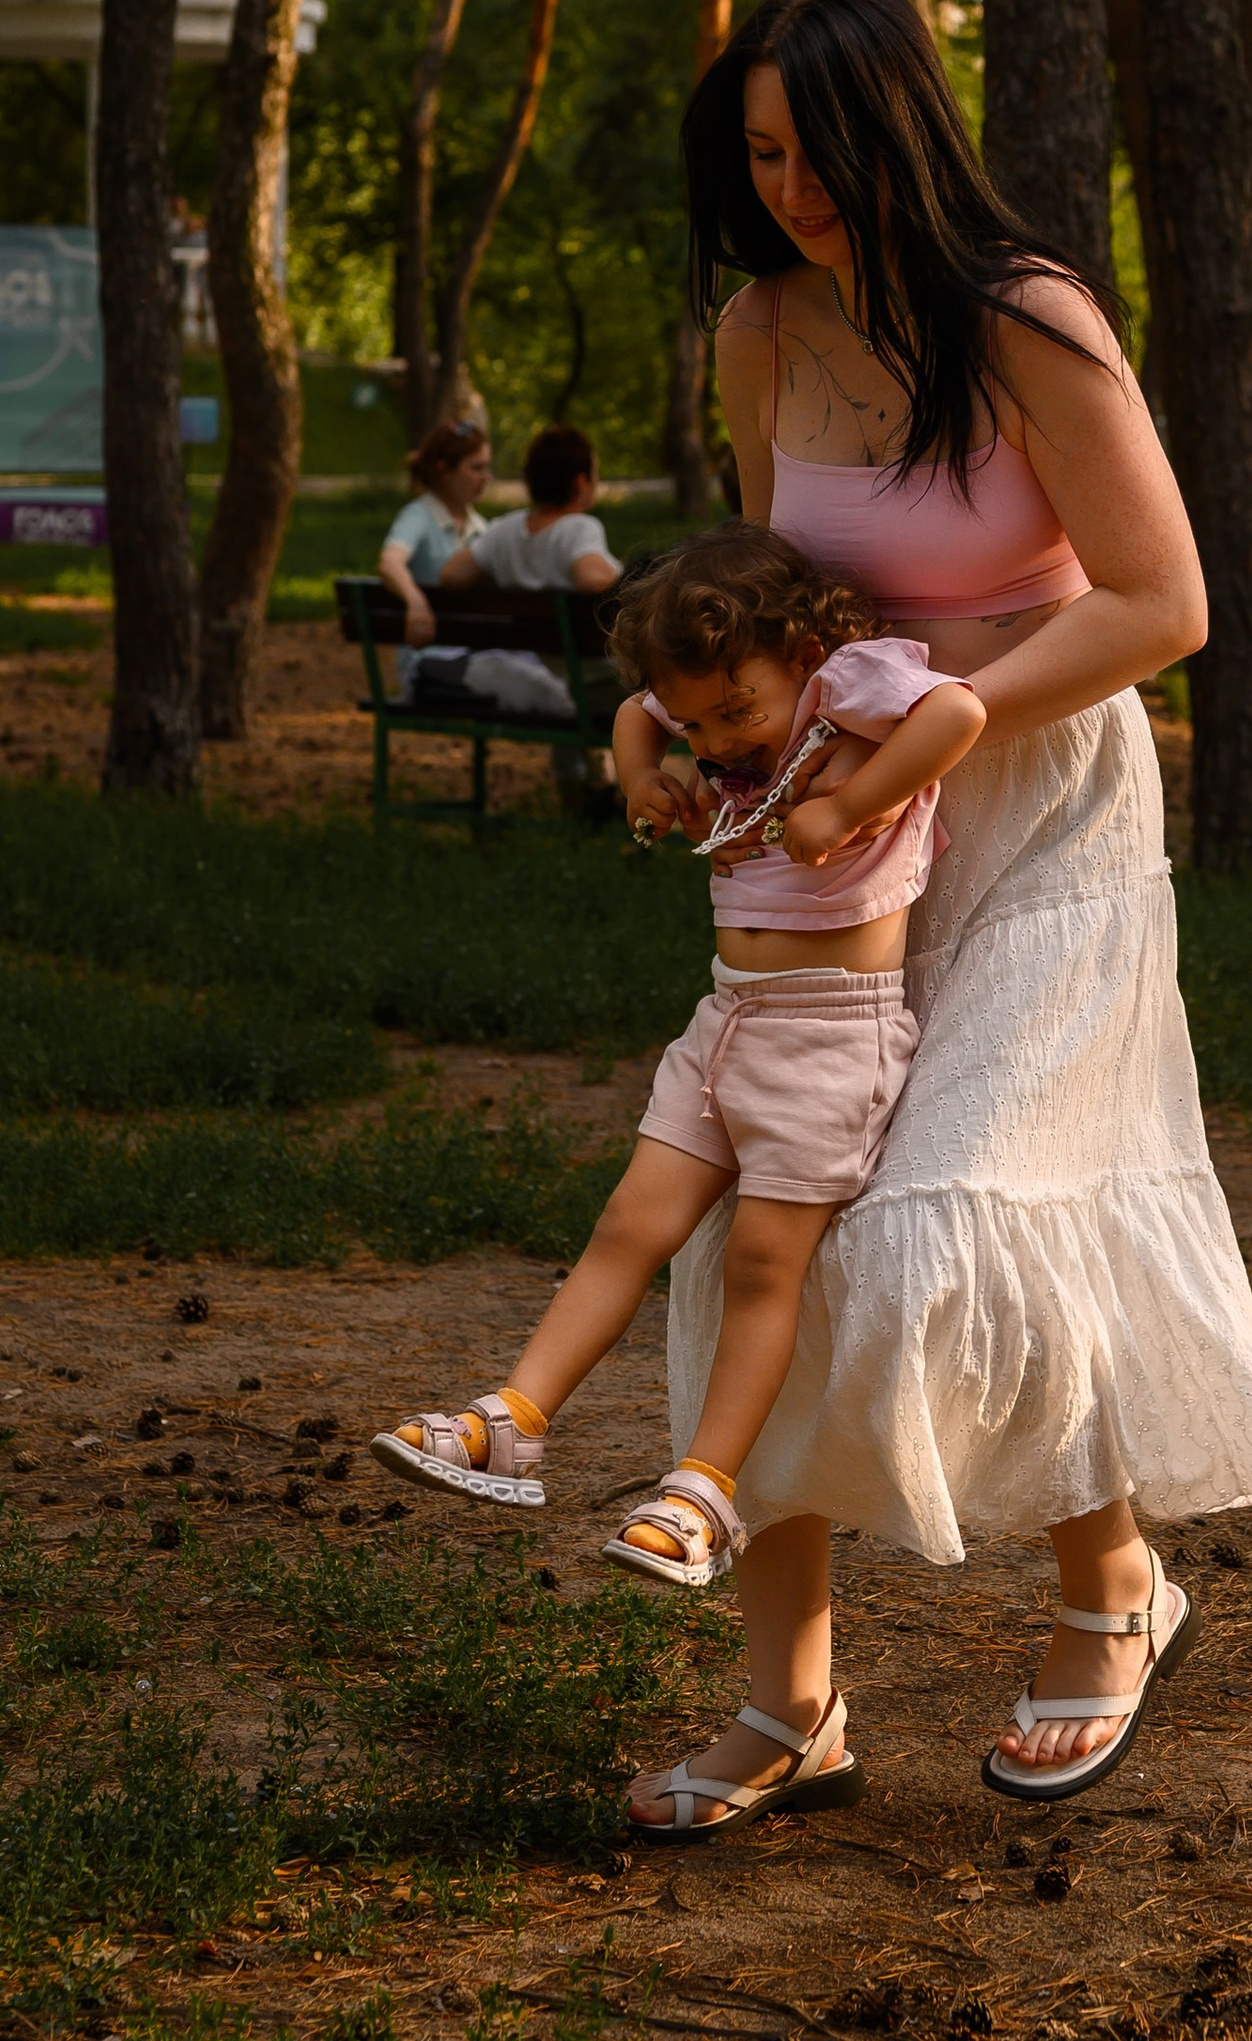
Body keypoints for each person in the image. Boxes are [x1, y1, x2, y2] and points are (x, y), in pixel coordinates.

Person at [612, 0, 1252, 1839]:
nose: (791, 188)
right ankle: (791, 1702)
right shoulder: (761, 332)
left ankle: (1115, 1587)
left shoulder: (1022, 320)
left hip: (1042, 802)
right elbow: (766, 595)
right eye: (760, 155)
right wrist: (674, 723)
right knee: (769, 1215)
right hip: (837, 827)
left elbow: (1165, 602)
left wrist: (946, 724)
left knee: (976, 1206)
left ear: (898, 130)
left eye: (821, 150)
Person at [369, 525, 985, 1731]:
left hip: (832, 1034)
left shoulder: (847, 679)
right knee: (627, 1223)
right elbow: (637, 717)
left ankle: (702, 1493)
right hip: (727, 1018)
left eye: (730, 714)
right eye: (701, 725)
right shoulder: (704, 700)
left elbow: (957, 713)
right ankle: (513, 1421)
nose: (716, 741)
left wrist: (853, 800)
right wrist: (637, 770)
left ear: (795, 647)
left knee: (764, 1264)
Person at [415, 423, 623, 734]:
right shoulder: (579, 528)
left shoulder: (505, 531)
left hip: (546, 670)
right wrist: (621, 572)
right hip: (601, 677)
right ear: (581, 482)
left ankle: (577, 777)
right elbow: (592, 580)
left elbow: (452, 576)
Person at [378, 420, 492, 694]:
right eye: (476, 468)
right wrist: (415, 600)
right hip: (426, 666)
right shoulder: (419, 516)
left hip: (470, 658)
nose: (486, 477)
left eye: (487, 467)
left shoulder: (481, 528)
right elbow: (389, 562)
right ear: (444, 471)